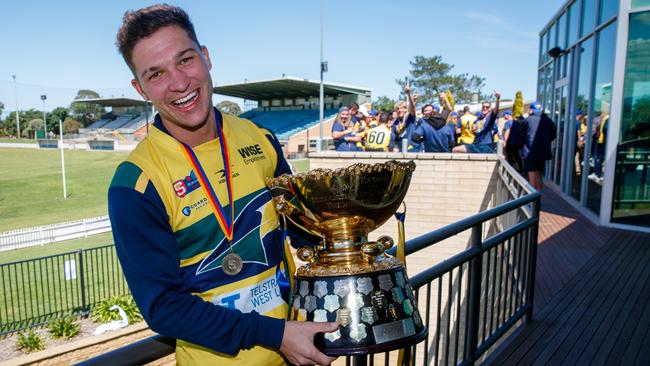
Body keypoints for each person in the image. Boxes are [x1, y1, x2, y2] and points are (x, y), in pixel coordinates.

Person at [108, 5, 337, 365]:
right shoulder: (136, 184)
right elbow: (163, 307)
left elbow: (300, 227)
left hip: (298, 355)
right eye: (156, 74)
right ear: (140, 88)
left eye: (185, 60)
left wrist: (348, 253)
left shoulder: (260, 137)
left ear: (206, 57)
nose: (179, 83)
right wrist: (274, 335)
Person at [522, 101, 557, 190]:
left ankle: (532, 202)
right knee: (539, 176)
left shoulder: (528, 120)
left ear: (531, 110)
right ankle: (537, 200)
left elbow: (521, 134)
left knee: (532, 178)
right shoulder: (548, 121)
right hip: (542, 153)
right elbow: (553, 135)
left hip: (530, 152)